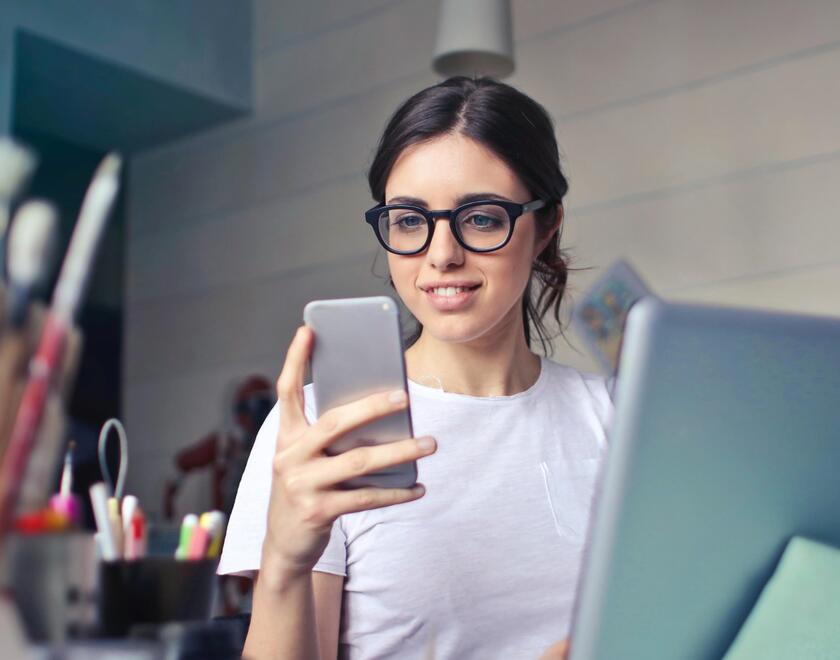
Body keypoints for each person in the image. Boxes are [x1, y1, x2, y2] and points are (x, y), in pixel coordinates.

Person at [218, 76, 613, 660]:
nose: (442, 254)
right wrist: (283, 563)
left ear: (546, 225)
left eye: (481, 218)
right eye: (408, 220)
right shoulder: (322, 427)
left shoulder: (618, 417)